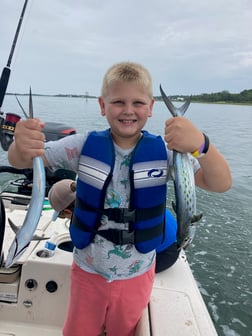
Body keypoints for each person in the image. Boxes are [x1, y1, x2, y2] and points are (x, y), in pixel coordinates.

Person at [8, 62, 232, 336]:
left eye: (138, 102)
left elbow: (220, 183)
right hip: (87, 272)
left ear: (150, 107)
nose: (128, 110)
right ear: (103, 106)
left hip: (137, 276)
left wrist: (201, 145)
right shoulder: (81, 145)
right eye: (118, 102)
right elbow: (27, 161)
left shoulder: (166, 153)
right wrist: (21, 147)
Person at [48, 178, 179, 273]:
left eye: (64, 216)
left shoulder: (98, 217)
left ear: (68, 211)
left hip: (164, 254)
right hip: (173, 238)